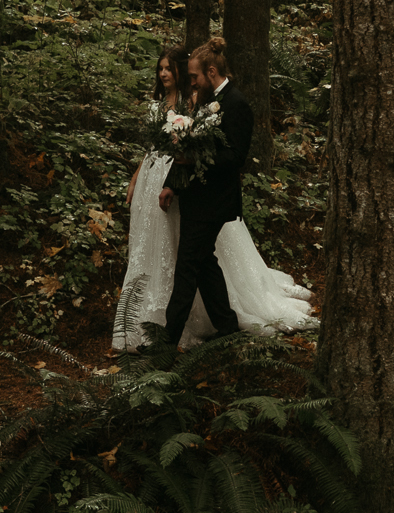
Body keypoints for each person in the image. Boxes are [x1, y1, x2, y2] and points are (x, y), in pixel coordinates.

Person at [113, 37, 314, 351]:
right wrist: (172, 184)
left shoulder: (237, 105)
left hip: (215, 202)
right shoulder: (206, 102)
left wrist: (191, 158)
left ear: (210, 72)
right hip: (195, 196)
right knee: (205, 264)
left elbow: (234, 158)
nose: (190, 82)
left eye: (194, 76)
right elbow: (193, 149)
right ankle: (228, 326)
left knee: (187, 268)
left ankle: (166, 343)